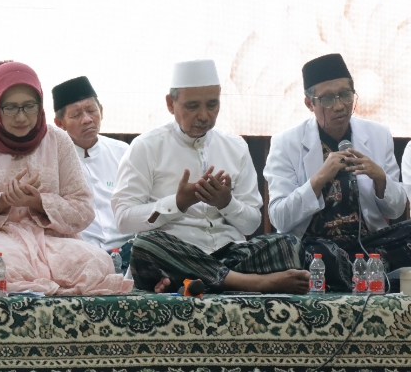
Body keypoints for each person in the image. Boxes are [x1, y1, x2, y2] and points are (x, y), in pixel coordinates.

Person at [0, 61, 132, 295]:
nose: (21, 117)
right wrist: (1, 202)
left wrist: (39, 203)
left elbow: (83, 210)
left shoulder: (58, 141)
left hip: (52, 243)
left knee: (97, 262)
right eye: (10, 108)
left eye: (29, 106)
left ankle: (37, 290)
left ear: (40, 104)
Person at [112, 59, 309, 294]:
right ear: (170, 104)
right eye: (192, 106)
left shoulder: (235, 146)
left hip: (228, 254)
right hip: (174, 251)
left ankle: (191, 281)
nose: (204, 115)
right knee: (145, 245)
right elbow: (123, 219)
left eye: (212, 104)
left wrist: (226, 203)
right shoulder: (146, 146)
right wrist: (177, 204)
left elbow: (252, 223)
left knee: (289, 244)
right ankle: (252, 283)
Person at [264, 53, 411, 291]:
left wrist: (380, 178)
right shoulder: (286, 143)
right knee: (313, 254)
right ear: (309, 104)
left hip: (369, 245)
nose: (340, 105)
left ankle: (356, 273)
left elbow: (395, 210)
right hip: (315, 248)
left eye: (345, 94)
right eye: (328, 99)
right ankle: (364, 275)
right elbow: (280, 218)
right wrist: (319, 179)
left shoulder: (378, 135)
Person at [52, 76, 133, 270]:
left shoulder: (124, 152)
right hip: (81, 255)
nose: (87, 119)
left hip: (130, 250)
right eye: (76, 114)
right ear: (60, 123)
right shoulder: (53, 160)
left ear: (101, 111)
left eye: (91, 110)